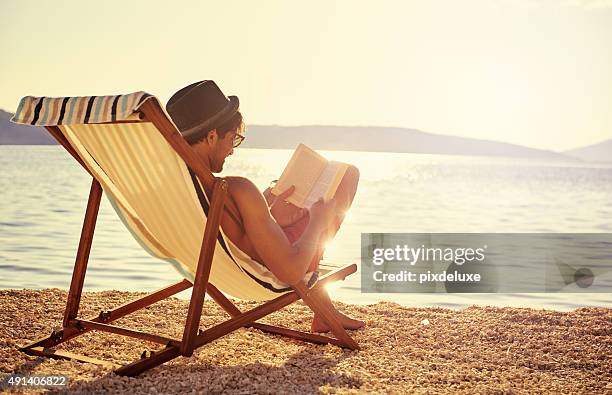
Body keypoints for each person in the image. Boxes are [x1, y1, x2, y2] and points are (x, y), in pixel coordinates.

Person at [166, 80, 364, 332]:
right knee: (347, 176)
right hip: (275, 264)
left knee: (290, 202)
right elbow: (291, 272)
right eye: (232, 139)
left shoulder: (176, 186)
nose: (231, 151)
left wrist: (266, 214)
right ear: (212, 136)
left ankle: (325, 310)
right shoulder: (235, 189)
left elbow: (231, 232)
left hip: (218, 261)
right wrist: (317, 221)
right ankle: (323, 307)